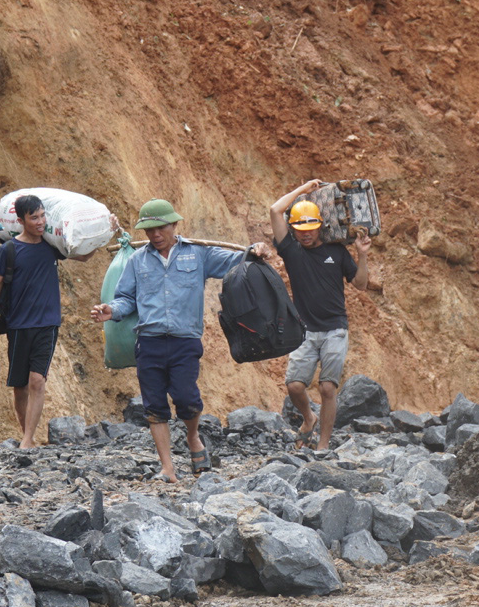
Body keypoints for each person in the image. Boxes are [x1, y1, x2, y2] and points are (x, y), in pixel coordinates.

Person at [90, 199, 274, 483]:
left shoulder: (197, 254)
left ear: (174, 224)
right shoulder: (138, 261)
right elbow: (126, 298)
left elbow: (235, 261)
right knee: (153, 406)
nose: (155, 235)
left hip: (185, 340)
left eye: (160, 228)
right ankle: (168, 468)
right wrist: (111, 310)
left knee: (187, 399)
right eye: (149, 230)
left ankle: (192, 436)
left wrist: (255, 251)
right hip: (149, 341)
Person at [0, 195, 117, 449]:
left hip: (47, 323)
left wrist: (108, 232)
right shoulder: (9, 250)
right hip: (17, 324)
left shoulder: (51, 246)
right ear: (20, 220)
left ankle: (27, 439)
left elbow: (83, 256)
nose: (40, 222)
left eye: (42, 216)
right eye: (34, 217)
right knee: (19, 385)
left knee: (37, 380)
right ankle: (27, 433)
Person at [268, 180, 372, 449]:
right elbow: (274, 210)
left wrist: (362, 256)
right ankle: (308, 418)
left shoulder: (336, 251)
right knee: (294, 386)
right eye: (300, 229)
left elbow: (360, 284)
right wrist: (302, 190)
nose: (305, 235)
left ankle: (323, 445)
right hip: (305, 329)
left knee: (327, 388)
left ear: (320, 226)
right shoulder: (291, 251)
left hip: (335, 328)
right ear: (293, 229)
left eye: (311, 228)